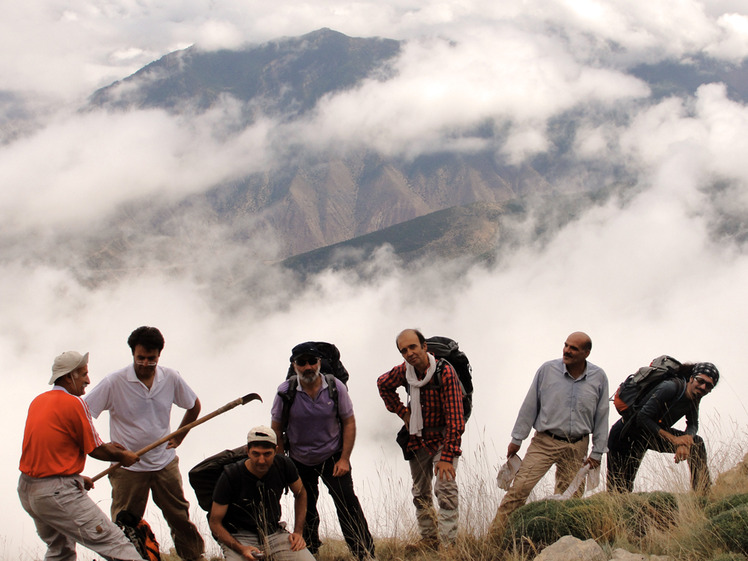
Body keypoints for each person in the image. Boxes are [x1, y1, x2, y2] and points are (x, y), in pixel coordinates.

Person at [84, 326, 206, 561]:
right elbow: (83, 413)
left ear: (160, 355)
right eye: (141, 358)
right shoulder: (114, 382)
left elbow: (194, 406)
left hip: (164, 463)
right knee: (125, 522)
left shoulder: (170, 377)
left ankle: (194, 557)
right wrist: (104, 446)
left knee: (179, 516)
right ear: (133, 354)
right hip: (128, 468)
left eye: (152, 358)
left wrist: (179, 436)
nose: (146, 363)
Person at [18, 350, 146, 561]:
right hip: (56, 493)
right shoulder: (73, 403)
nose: (88, 380)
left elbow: (51, 447)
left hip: (29, 490)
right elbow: (96, 449)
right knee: (116, 544)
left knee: (60, 551)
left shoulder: (39, 401)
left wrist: (74, 478)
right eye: (83, 374)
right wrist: (124, 457)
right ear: (69, 376)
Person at [491, 332, 609, 533]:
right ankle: (492, 542)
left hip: (577, 445)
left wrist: (597, 452)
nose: (567, 350)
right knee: (518, 491)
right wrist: (517, 438)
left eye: (573, 348)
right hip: (545, 442)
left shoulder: (599, 377)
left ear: (586, 353)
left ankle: (556, 543)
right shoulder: (547, 370)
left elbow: (602, 415)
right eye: (566, 345)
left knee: (569, 500)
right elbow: (530, 405)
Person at [270, 342, 375, 560]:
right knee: (306, 507)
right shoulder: (285, 392)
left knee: (347, 504)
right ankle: (309, 554)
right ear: (294, 365)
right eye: (302, 362)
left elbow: (349, 422)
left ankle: (364, 553)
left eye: (312, 361)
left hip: (333, 456)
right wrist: (282, 463)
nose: (307, 367)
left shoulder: (336, 387)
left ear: (319, 363)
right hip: (298, 459)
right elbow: (276, 429)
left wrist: (344, 458)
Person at [377, 329, 465, 550]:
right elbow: (382, 383)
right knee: (420, 492)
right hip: (417, 438)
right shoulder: (405, 371)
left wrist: (447, 455)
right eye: (403, 350)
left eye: (413, 347)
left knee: (445, 489)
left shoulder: (444, 372)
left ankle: (448, 545)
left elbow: (456, 419)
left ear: (424, 346)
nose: (409, 353)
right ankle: (428, 539)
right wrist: (402, 412)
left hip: (442, 437)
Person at [607, 362, 719, 494]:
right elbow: (642, 417)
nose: (703, 387)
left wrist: (686, 440)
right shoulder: (670, 387)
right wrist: (674, 440)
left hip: (647, 436)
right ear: (691, 378)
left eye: (709, 385)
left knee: (696, 444)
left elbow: (693, 423)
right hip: (625, 435)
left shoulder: (695, 397)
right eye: (700, 381)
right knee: (619, 488)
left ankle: (702, 494)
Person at [209, 426, 316, 561]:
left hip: (274, 533)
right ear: (247, 451)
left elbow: (301, 493)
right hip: (239, 537)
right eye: (256, 454)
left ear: (276, 451)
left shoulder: (284, 464)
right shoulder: (231, 475)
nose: (261, 460)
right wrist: (241, 549)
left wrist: (298, 532)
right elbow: (214, 523)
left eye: (267, 454)